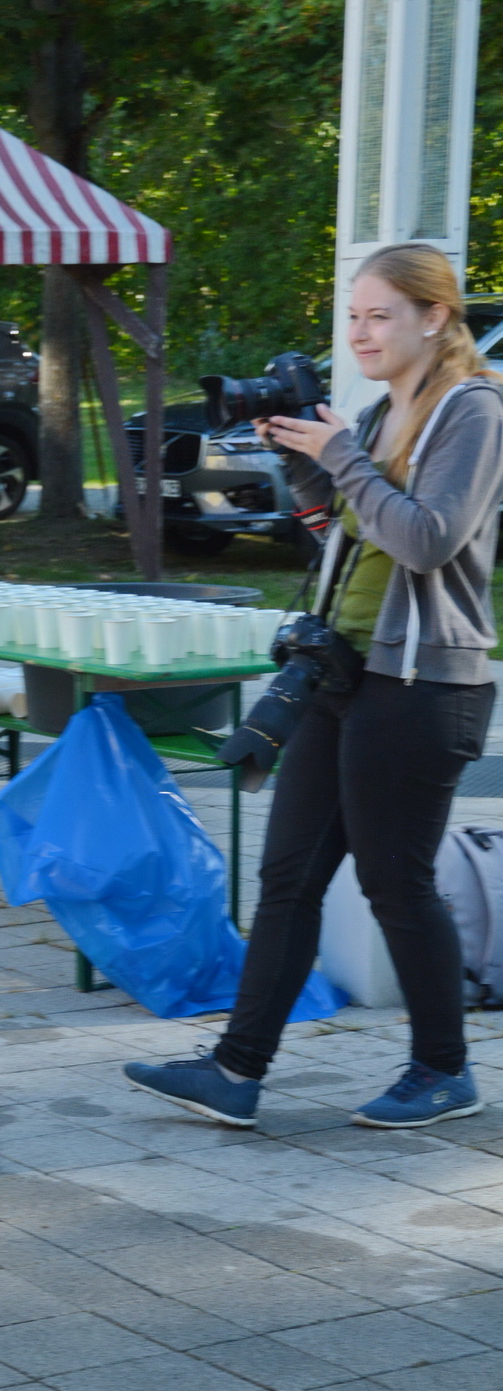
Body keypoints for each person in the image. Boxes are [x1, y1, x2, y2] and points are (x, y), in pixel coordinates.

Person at [126, 242, 503, 1132]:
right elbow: (339, 532)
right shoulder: (380, 412)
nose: (362, 332)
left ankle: (444, 1071)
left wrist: (343, 457)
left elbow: (426, 540)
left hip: (422, 683)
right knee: (289, 873)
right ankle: (236, 1068)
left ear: (433, 317)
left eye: (380, 315)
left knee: (393, 878)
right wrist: (306, 465)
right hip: (343, 667)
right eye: (353, 315)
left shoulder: (473, 409)